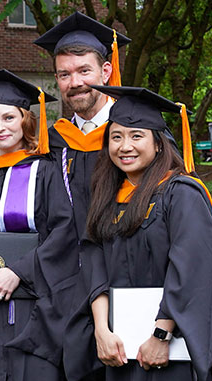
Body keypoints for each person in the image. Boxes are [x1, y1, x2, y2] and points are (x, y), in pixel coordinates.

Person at [65, 86, 212, 381]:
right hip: (120, 348)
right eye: (116, 137)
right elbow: (94, 264)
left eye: (136, 136)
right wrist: (102, 330)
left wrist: (161, 335)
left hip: (172, 351)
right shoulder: (106, 199)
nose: (125, 146)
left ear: (158, 142)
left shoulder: (181, 194)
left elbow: (190, 271)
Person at [0, 69, 79, 381]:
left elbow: (64, 232)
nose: (1, 128)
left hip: (30, 304)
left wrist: (19, 272)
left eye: (9, 118)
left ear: (25, 120)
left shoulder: (45, 170)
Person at [34, 10, 130, 240]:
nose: (75, 83)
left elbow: (179, 183)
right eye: (64, 74)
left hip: (125, 261)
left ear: (106, 71)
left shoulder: (137, 131)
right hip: (68, 264)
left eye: (84, 71)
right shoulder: (54, 141)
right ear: (57, 79)